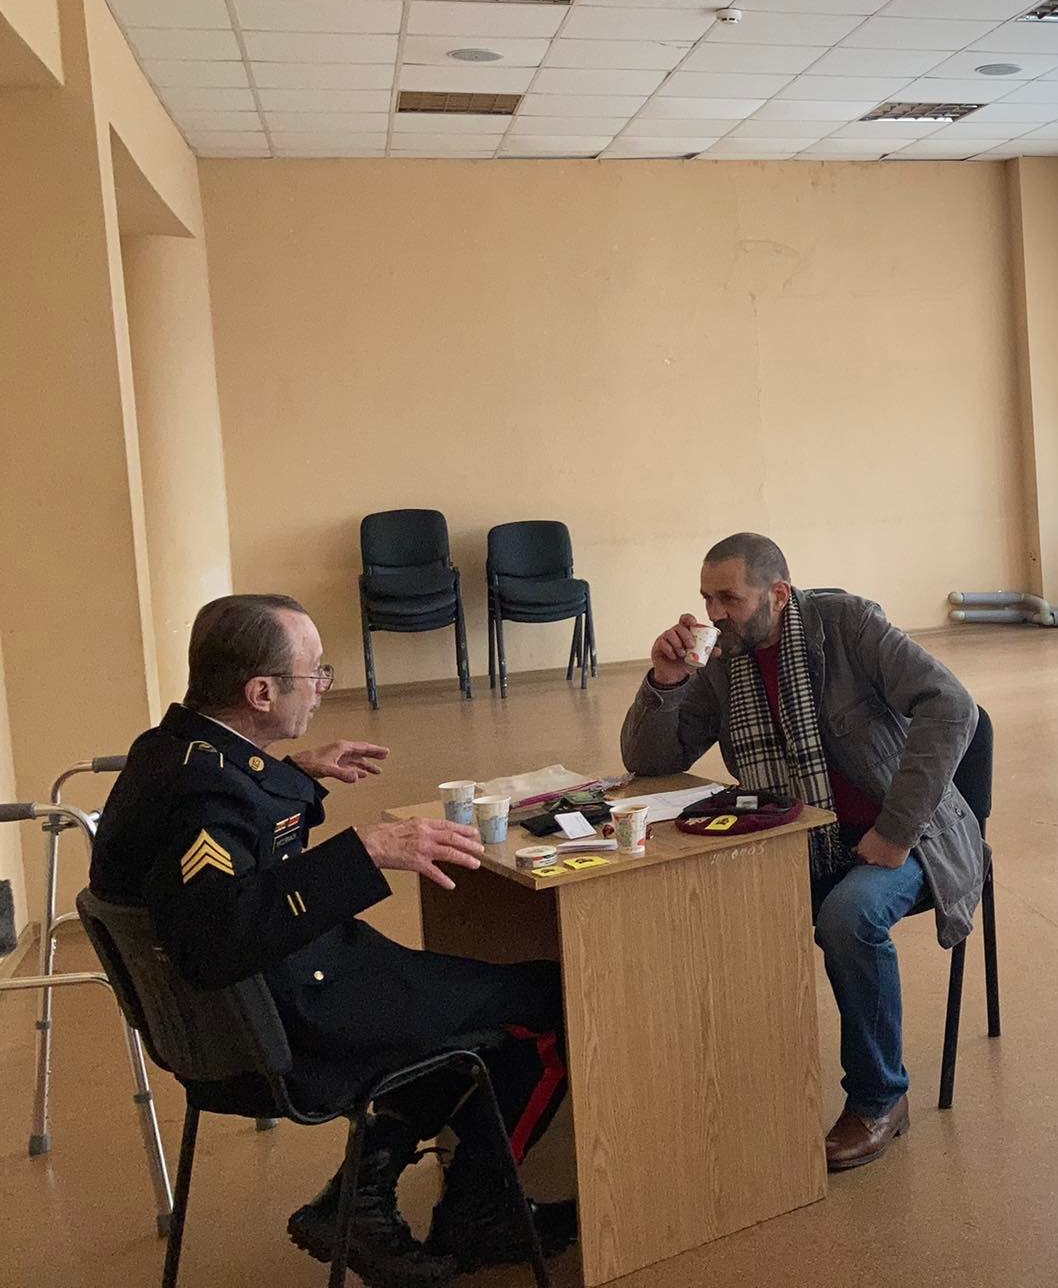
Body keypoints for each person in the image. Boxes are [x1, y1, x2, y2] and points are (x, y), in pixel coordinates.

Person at [91, 596, 572, 1288]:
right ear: (261, 693)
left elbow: (240, 822)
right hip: (287, 1023)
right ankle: (478, 1213)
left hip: (256, 1007)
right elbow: (218, 937)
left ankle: (361, 1194)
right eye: (314, 672)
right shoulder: (205, 799)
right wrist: (364, 852)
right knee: (546, 1002)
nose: (322, 687)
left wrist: (297, 770)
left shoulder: (171, 752)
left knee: (461, 996)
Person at [620, 533, 982, 1172]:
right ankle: (732, 1083)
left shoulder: (847, 626)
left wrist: (895, 831)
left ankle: (879, 1099)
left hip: (909, 837)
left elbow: (952, 707)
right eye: (706, 598)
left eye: (729, 598)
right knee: (700, 902)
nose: (714, 614)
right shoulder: (725, 658)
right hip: (805, 837)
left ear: (779, 594)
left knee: (848, 918)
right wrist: (665, 681)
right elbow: (652, 761)